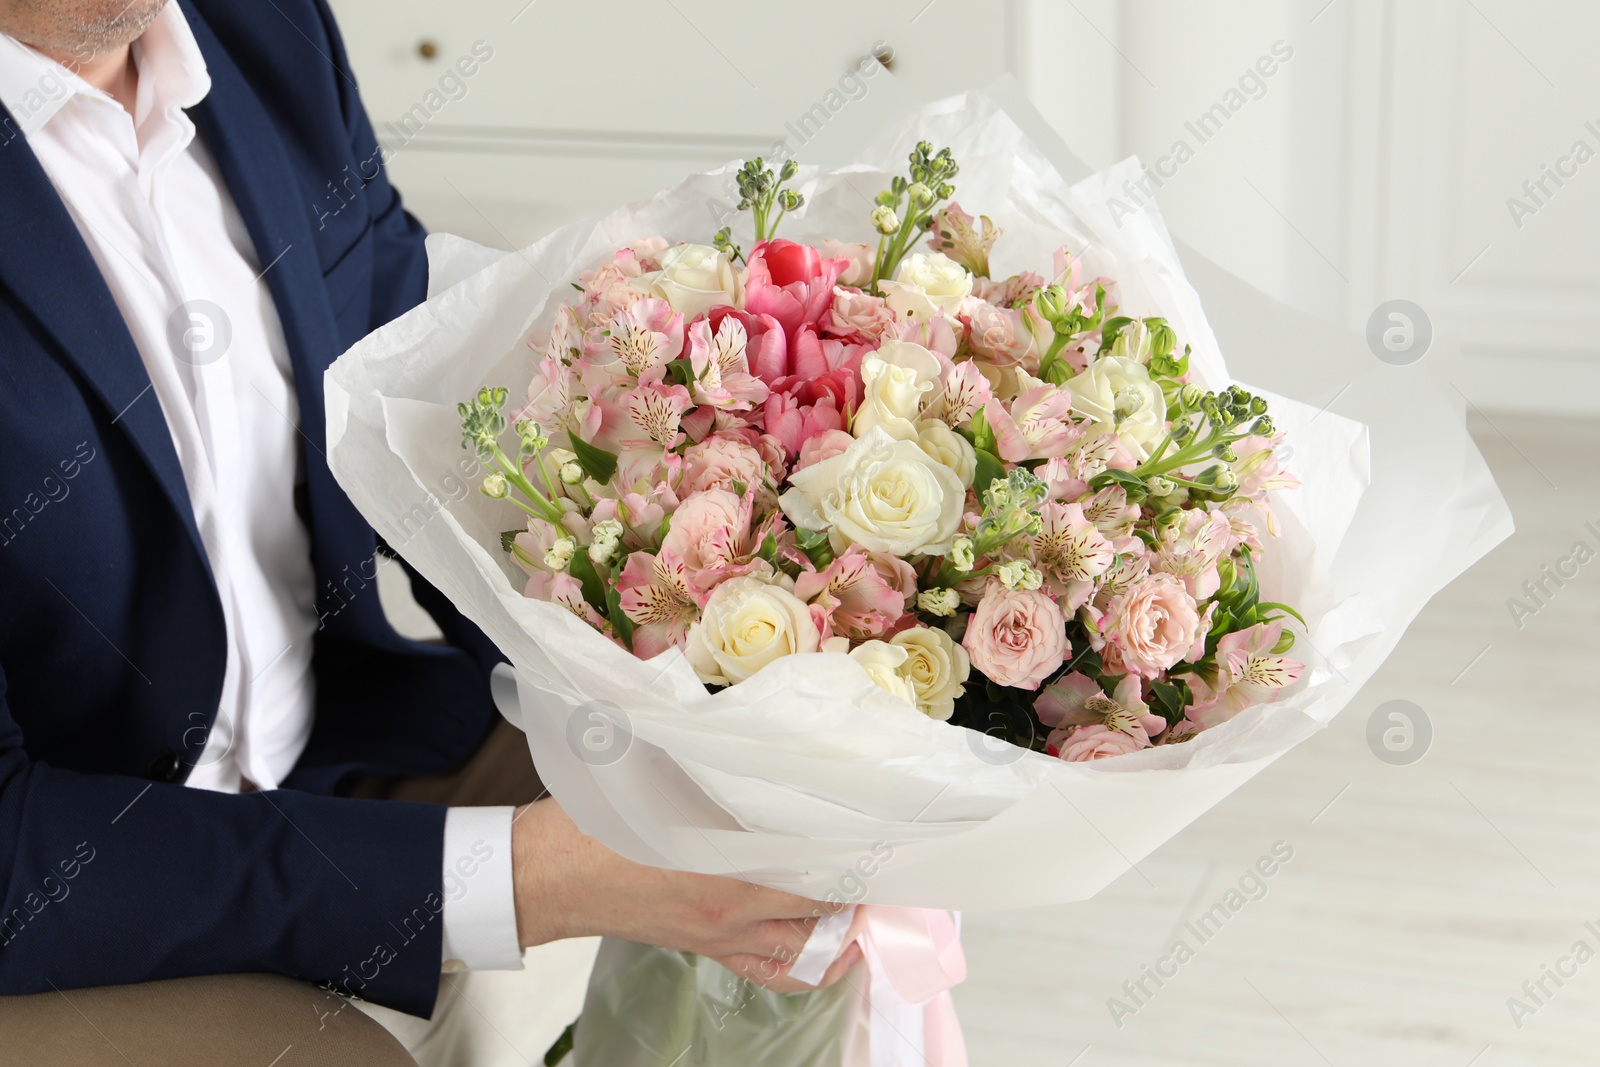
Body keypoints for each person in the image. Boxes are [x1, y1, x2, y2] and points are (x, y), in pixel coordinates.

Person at [0, 0, 860, 1062]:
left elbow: (417, 386)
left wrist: (693, 630)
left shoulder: (259, 32)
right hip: (63, 871)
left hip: (324, 745)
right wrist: (527, 874)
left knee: (778, 802)